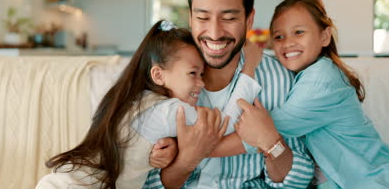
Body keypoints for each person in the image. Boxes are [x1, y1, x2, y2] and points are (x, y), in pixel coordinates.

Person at [144, 0, 314, 188]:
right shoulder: (164, 77)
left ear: (249, 19)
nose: (214, 33)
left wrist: (272, 143)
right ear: (191, 18)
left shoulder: (281, 79)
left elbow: (298, 181)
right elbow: (145, 180)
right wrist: (185, 159)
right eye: (202, 17)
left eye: (229, 18)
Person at [35, 20, 264, 189]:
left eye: (202, 74)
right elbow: (226, 123)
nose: (201, 83)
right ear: (158, 74)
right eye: (193, 73)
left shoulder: (132, 100)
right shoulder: (171, 110)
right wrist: (250, 68)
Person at [258, 0, 389, 188]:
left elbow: (270, 129)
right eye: (278, 37)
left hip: (376, 182)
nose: (288, 42)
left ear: (325, 36)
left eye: (298, 32)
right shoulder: (294, 77)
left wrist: (212, 147)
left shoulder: (322, 78)